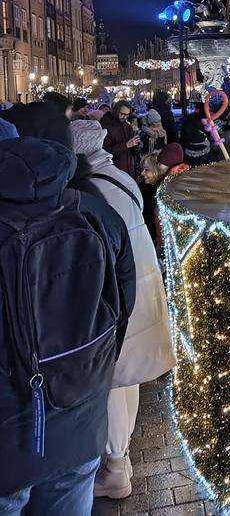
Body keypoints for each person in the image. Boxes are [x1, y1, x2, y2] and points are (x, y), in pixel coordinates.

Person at [0, 137, 136, 516]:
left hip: (8, 431)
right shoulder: (95, 211)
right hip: (80, 415)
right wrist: (92, 374)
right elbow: (122, 305)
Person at [70, 121, 175, 499]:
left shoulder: (91, 188)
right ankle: (122, 458)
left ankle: (116, 469)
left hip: (121, 296)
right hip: (142, 286)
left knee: (113, 382)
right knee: (127, 381)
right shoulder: (119, 177)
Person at [101, 101, 141, 179]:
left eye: (127, 115)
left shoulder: (127, 126)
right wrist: (126, 145)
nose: (125, 117)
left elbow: (134, 150)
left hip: (130, 169)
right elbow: (106, 150)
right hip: (115, 170)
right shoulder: (106, 126)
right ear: (116, 111)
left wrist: (137, 144)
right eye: (122, 114)